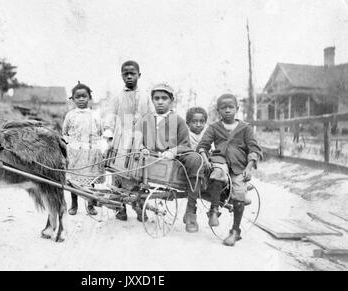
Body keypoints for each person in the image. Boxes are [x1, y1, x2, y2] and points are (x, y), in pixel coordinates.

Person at [134, 83, 202, 231]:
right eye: (156, 98)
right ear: (152, 100)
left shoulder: (178, 121)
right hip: (149, 158)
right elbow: (137, 138)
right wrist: (141, 148)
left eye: (164, 98)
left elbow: (185, 144)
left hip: (172, 158)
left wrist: (173, 151)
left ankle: (191, 211)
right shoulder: (144, 119)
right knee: (129, 157)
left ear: (171, 101)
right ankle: (137, 203)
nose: (160, 101)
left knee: (195, 159)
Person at [197, 93, 262, 246]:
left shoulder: (245, 128)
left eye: (230, 107)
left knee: (239, 193)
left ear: (237, 109)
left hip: (239, 165)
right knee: (218, 172)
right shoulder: (214, 128)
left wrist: (249, 167)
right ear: (218, 110)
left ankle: (235, 231)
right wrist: (204, 157)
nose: (227, 110)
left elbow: (254, 149)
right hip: (220, 160)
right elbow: (203, 145)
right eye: (223, 108)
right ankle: (213, 211)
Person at [103, 60, 153, 221]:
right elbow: (110, 115)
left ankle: (139, 207)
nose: (129, 76)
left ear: (139, 75)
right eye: (126, 74)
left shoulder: (145, 97)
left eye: (132, 73)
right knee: (118, 172)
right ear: (122, 76)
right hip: (121, 140)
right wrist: (109, 137)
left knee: (137, 174)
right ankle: (120, 208)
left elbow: (150, 119)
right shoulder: (118, 97)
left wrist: (148, 142)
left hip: (138, 141)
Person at [62, 82, 104, 216]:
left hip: (90, 152)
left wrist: (97, 147)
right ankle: (74, 204)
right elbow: (65, 132)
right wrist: (69, 145)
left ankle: (90, 205)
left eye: (84, 96)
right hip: (74, 152)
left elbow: (100, 132)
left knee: (89, 180)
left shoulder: (95, 115)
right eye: (77, 97)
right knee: (73, 180)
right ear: (73, 99)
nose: (81, 99)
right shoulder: (70, 115)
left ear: (89, 98)